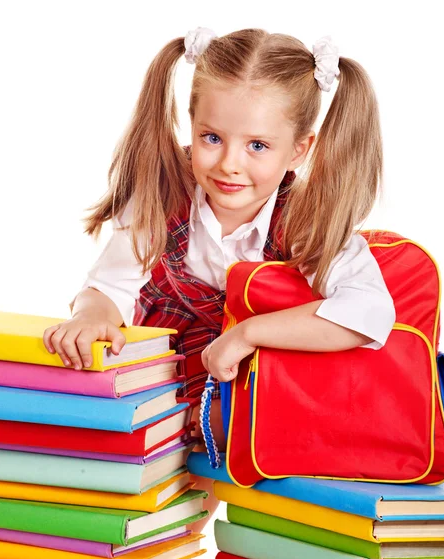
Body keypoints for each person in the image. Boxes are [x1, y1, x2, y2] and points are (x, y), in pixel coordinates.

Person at [43, 27, 396, 525]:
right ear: (192, 124)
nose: (230, 164)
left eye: (257, 145)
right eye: (212, 138)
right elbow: (111, 286)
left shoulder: (308, 219)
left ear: (298, 150)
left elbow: (370, 311)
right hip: (161, 378)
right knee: (128, 506)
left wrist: (248, 333)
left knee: (212, 511)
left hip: (251, 389)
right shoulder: (162, 195)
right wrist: (92, 316)